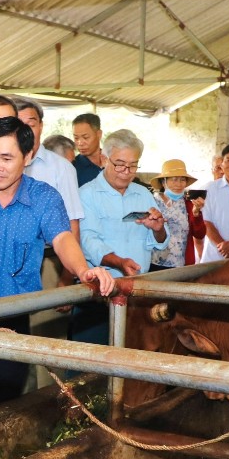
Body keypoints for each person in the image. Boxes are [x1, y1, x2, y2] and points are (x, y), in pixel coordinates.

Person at [0, 116, 114, 416]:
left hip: (13, 324)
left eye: (7, 158)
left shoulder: (44, 198)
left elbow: (63, 238)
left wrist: (82, 271)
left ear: (28, 157)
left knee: (4, 411)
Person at [76, 129, 166, 343]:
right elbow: (88, 240)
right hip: (98, 293)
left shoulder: (143, 194)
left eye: (133, 165)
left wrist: (158, 228)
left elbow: (161, 242)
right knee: (91, 363)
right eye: (120, 164)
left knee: (134, 357)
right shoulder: (87, 194)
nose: (126, 171)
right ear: (104, 159)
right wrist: (119, 263)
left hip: (138, 292)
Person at [13, 98, 83, 240]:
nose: (25, 132)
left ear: (40, 126)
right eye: (18, 126)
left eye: (30, 125)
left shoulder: (62, 167)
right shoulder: (1, 164)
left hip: (49, 252)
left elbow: (72, 220)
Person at [148, 159, 205, 270]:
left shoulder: (188, 204)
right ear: (164, 182)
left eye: (182, 180)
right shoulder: (152, 202)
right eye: (174, 180)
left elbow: (200, 234)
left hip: (181, 266)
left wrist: (196, 214)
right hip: (153, 264)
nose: (179, 184)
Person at [71, 113, 105, 186]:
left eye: (85, 137)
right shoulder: (73, 168)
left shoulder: (113, 161)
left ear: (99, 134)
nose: (80, 143)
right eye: (76, 138)